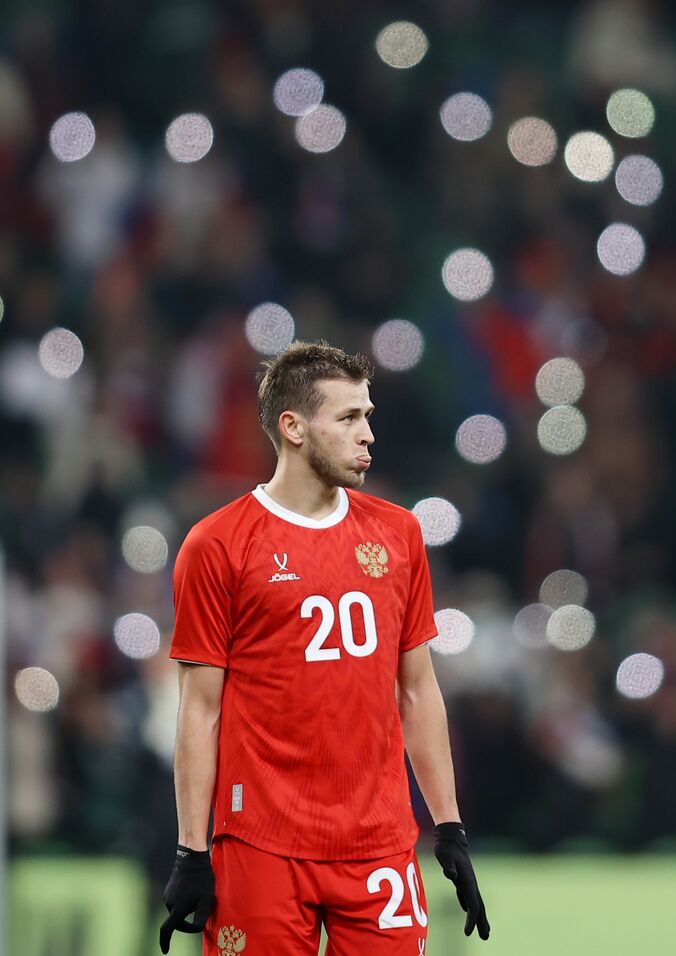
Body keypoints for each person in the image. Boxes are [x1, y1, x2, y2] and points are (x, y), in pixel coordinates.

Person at [159, 340, 489, 953]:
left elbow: (417, 689)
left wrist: (449, 827)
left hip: (379, 845)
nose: (368, 435)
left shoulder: (399, 534)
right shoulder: (218, 546)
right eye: (348, 418)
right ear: (294, 428)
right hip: (261, 843)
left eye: (368, 417)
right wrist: (190, 849)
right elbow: (199, 709)